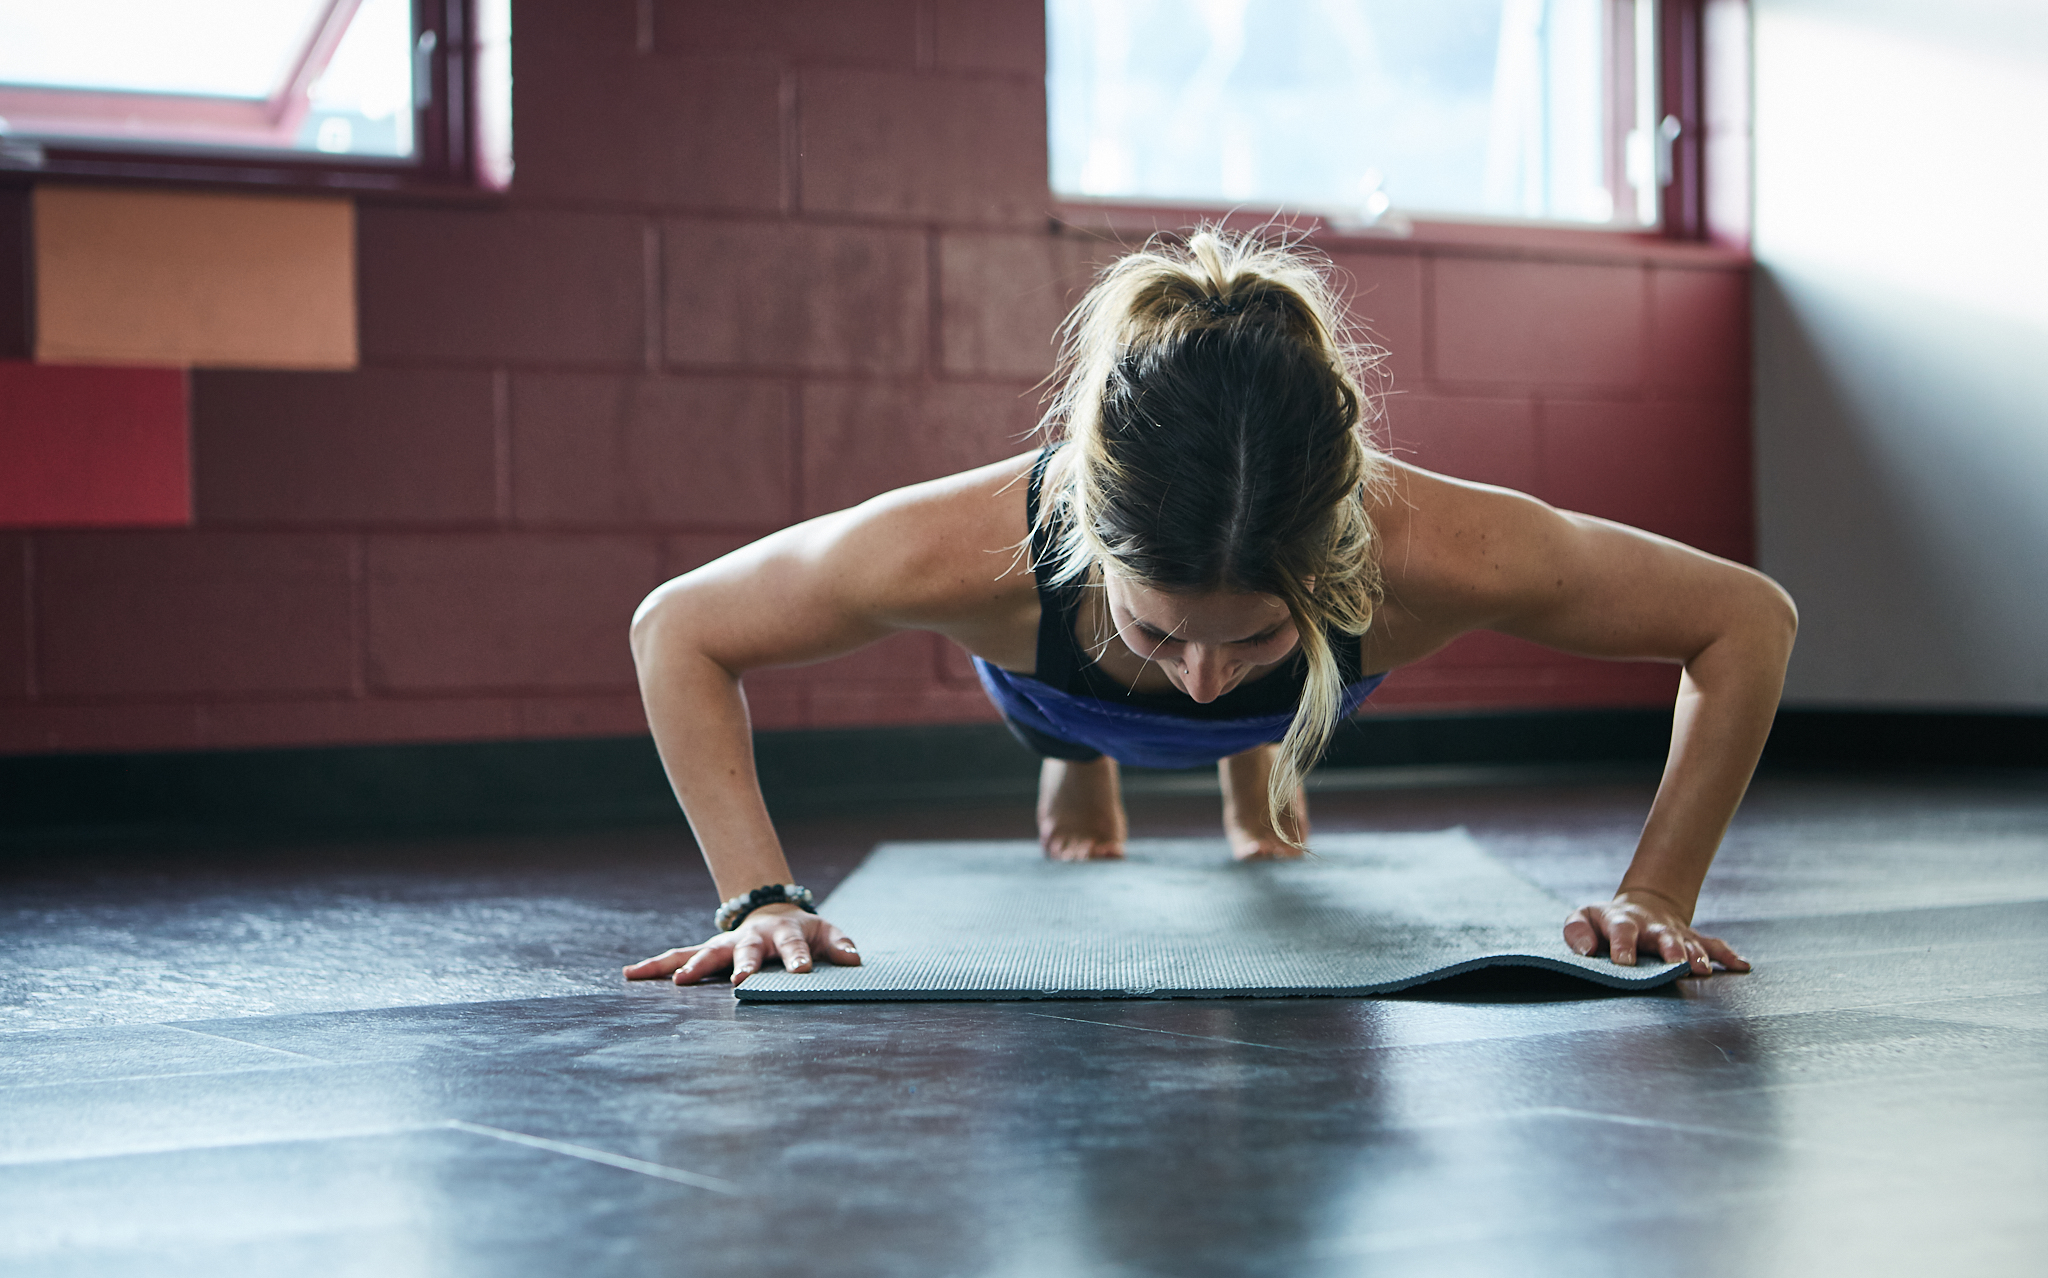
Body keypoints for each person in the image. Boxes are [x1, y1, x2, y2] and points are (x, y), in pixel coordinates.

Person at [624, 228, 1793, 989]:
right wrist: (759, 895)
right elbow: (679, 627)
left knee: (1267, 734)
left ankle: (1260, 738)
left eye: (1252, 631)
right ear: (1087, 539)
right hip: (1053, 687)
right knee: (1073, 716)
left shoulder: (1438, 552)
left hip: (1315, 683)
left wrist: (1656, 892)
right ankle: (1086, 745)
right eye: (1156, 629)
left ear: (1333, 565)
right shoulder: (963, 548)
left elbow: (1744, 618)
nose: (1196, 672)